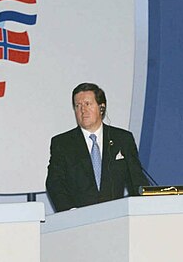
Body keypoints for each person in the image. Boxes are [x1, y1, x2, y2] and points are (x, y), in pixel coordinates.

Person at [45, 83, 149, 212]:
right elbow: (55, 183)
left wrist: (137, 210)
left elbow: (137, 181)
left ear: (101, 107)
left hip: (118, 219)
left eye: (87, 104)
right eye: (78, 106)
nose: (83, 110)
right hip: (79, 221)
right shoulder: (62, 143)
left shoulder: (122, 139)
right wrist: (70, 212)